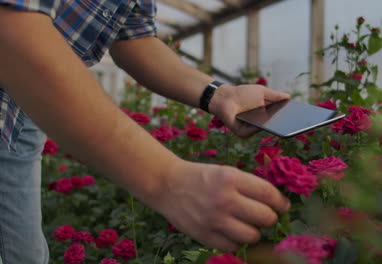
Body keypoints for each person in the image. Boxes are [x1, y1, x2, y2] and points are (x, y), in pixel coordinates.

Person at [0, 0, 291, 263]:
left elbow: (134, 36)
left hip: (18, 114)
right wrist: (166, 178)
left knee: (25, 254)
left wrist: (220, 95)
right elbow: (12, 29)